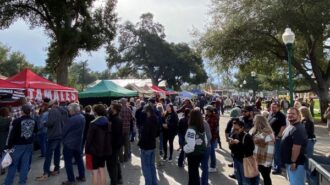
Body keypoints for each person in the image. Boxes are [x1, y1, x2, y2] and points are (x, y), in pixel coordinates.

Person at [4, 105, 37, 185]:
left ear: (22, 111)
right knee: (25, 165)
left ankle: (8, 183)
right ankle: (22, 182)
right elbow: (36, 130)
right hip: (29, 145)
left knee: (13, 165)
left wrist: (8, 146)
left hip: (18, 145)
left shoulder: (17, 121)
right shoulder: (33, 120)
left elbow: (12, 135)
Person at [36, 100, 67, 181]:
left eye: (50, 105)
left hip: (53, 135)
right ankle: (56, 170)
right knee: (57, 153)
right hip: (60, 134)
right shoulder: (63, 110)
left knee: (49, 154)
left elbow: (50, 123)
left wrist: (44, 123)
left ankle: (46, 173)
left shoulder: (53, 111)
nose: (50, 107)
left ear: (53, 105)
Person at [85, 104, 112, 185]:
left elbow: (89, 139)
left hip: (95, 151)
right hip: (104, 150)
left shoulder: (93, 124)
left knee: (95, 172)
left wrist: (86, 150)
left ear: (96, 112)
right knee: (102, 169)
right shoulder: (108, 122)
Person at [281, 107, 308, 185]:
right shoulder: (290, 126)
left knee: (296, 183)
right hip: (290, 163)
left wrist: (293, 162)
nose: (290, 115)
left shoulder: (298, 129)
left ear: (298, 115)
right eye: (289, 113)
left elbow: (296, 147)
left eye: (293, 114)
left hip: (296, 164)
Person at [229, 118, 259, 185]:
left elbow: (249, 151)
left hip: (244, 162)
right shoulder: (234, 135)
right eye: (233, 129)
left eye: (236, 129)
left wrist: (238, 143)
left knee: (245, 181)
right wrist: (231, 144)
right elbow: (232, 149)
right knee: (239, 179)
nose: (235, 131)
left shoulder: (247, 137)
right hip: (236, 160)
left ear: (242, 128)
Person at [61, 103, 86, 185]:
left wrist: (63, 138)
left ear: (72, 110)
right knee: (79, 160)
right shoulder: (82, 117)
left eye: (70, 110)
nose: (69, 112)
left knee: (68, 162)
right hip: (78, 142)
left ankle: (71, 179)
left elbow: (64, 131)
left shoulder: (72, 119)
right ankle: (82, 176)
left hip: (69, 143)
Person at [184, 109, 207, 185]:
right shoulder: (201, 127)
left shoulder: (191, 129)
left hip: (193, 154)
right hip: (200, 153)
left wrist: (184, 148)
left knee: (193, 175)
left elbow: (190, 146)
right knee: (195, 174)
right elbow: (205, 141)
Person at [250, 115, 275, 185]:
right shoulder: (255, 130)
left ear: (259, 122)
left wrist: (267, 162)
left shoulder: (268, 133)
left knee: (266, 177)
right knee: (258, 176)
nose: (253, 122)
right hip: (257, 157)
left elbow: (270, 149)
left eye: (254, 121)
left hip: (265, 160)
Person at [138, 105, 159, 185]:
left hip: (146, 147)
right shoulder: (155, 119)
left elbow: (145, 136)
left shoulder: (148, 121)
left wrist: (140, 143)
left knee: (146, 167)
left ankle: (149, 183)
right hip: (152, 145)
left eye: (146, 112)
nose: (146, 113)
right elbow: (157, 133)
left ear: (148, 112)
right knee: (152, 166)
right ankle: (154, 183)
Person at [106, 103, 123, 185]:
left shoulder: (115, 120)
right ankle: (118, 178)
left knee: (111, 164)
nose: (109, 109)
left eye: (111, 108)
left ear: (115, 110)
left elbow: (114, 135)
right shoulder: (113, 118)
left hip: (113, 145)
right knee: (116, 162)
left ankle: (114, 182)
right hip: (116, 144)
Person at [268, 102, 286, 175]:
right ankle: (274, 165)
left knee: (276, 154)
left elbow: (283, 126)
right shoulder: (271, 114)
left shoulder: (281, 116)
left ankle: (278, 168)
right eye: (272, 107)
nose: (273, 108)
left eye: (275, 107)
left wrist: (278, 136)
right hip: (270, 137)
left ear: (278, 108)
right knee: (272, 152)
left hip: (277, 138)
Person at [205, 105, 219, 172]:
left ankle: (213, 166)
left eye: (207, 111)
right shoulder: (207, 116)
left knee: (212, 152)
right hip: (208, 136)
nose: (206, 112)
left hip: (212, 137)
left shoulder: (213, 118)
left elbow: (211, 128)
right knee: (209, 151)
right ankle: (209, 165)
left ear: (210, 111)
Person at [119, 98, 133, 162]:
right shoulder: (129, 109)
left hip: (121, 129)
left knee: (121, 144)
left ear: (122, 103)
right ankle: (126, 158)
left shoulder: (119, 110)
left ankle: (121, 158)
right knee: (127, 144)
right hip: (127, 128)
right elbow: (131, 118)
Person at [0, 107, 11, 175]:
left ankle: (1, 169)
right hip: (6, 140)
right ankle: (3, 167)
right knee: (4, 154)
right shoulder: (9, 120)